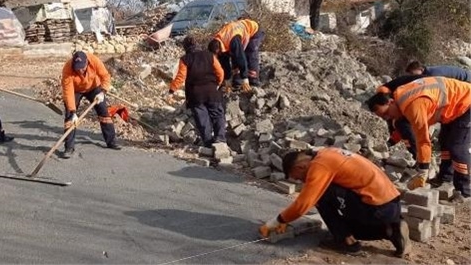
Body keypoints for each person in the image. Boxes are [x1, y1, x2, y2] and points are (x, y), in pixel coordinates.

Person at [259, 148, 410, 258]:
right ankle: (391, 230)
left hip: (377, 208)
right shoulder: (326, 153)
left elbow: (302, 205)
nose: (300, 181)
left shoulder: (319, 166)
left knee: (321, 195)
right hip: (391, 204)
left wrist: (277, 221)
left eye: (297, 178)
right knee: (351, 228)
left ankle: (348, 242)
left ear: (300, 167)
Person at [366, 77, 471, 199]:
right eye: (384, 117)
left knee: (457, 147)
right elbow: (404, 123)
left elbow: (423, 140)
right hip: (453, 107)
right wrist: (389, 143)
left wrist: (423, 171)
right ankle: (445, 179)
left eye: (387, 113)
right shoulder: (399, 97)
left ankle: (464, 191)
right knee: (445, 142)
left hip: (466, 103)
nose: (388, 117)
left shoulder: (413, 105)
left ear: (390, 102)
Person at [167, 36, 226, 148]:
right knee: (218, 115)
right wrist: (217, 84)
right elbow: (220, 72)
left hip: (196, 95)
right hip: (212, 91)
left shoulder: (185, 59)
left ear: (185, 47)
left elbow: (181, 77)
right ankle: (220, 139)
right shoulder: (209, 55)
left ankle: (208, 144)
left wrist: (172, 90)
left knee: (202, 118)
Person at [61, 51, 120, 158]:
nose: (80, 70)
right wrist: (73, 112)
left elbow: (105, 76)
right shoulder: (67, 69)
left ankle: (111, 141)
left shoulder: (94, 60)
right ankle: (69, 147)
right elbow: (68, 92)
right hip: (76, 90)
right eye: (77, 68)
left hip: (94, 87)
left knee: (103, 112)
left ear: (87, 62)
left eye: (82, 67)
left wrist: (103, 92)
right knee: (70, 116)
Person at [207, 17, 264, 92]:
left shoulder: (233, 41)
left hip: (253, 30)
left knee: (250, 54)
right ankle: (237, 81)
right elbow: (224, 63)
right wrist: (227, 81)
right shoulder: (217, 43)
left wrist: (245, 78)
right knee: (234, 55)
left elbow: (240, 57)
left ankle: (253, 81)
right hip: (236, 35)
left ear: (219, 50)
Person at [405, 60, 471, 82]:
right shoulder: (431, 70)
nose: (412, 76)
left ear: (420, 69)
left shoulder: (433, 74)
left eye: (412, 73)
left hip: (467, 79)